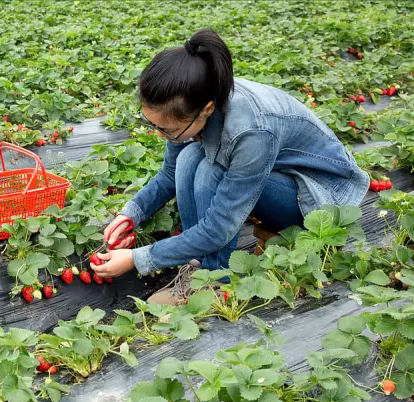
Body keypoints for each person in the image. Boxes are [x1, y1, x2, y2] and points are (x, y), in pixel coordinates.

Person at [89, 29, 369, 304]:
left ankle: (216, 280)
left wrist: (140, 258)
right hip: (278, 176)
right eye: (154, 125)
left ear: (207, 109)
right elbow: (170, 174)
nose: (161, 135)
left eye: (168, 130)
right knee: (188, 160)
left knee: (211, 169)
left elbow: (218, 228)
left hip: (318, 196)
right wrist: (130, 215)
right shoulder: (192, 99)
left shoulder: (250, 132)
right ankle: (199, 268)